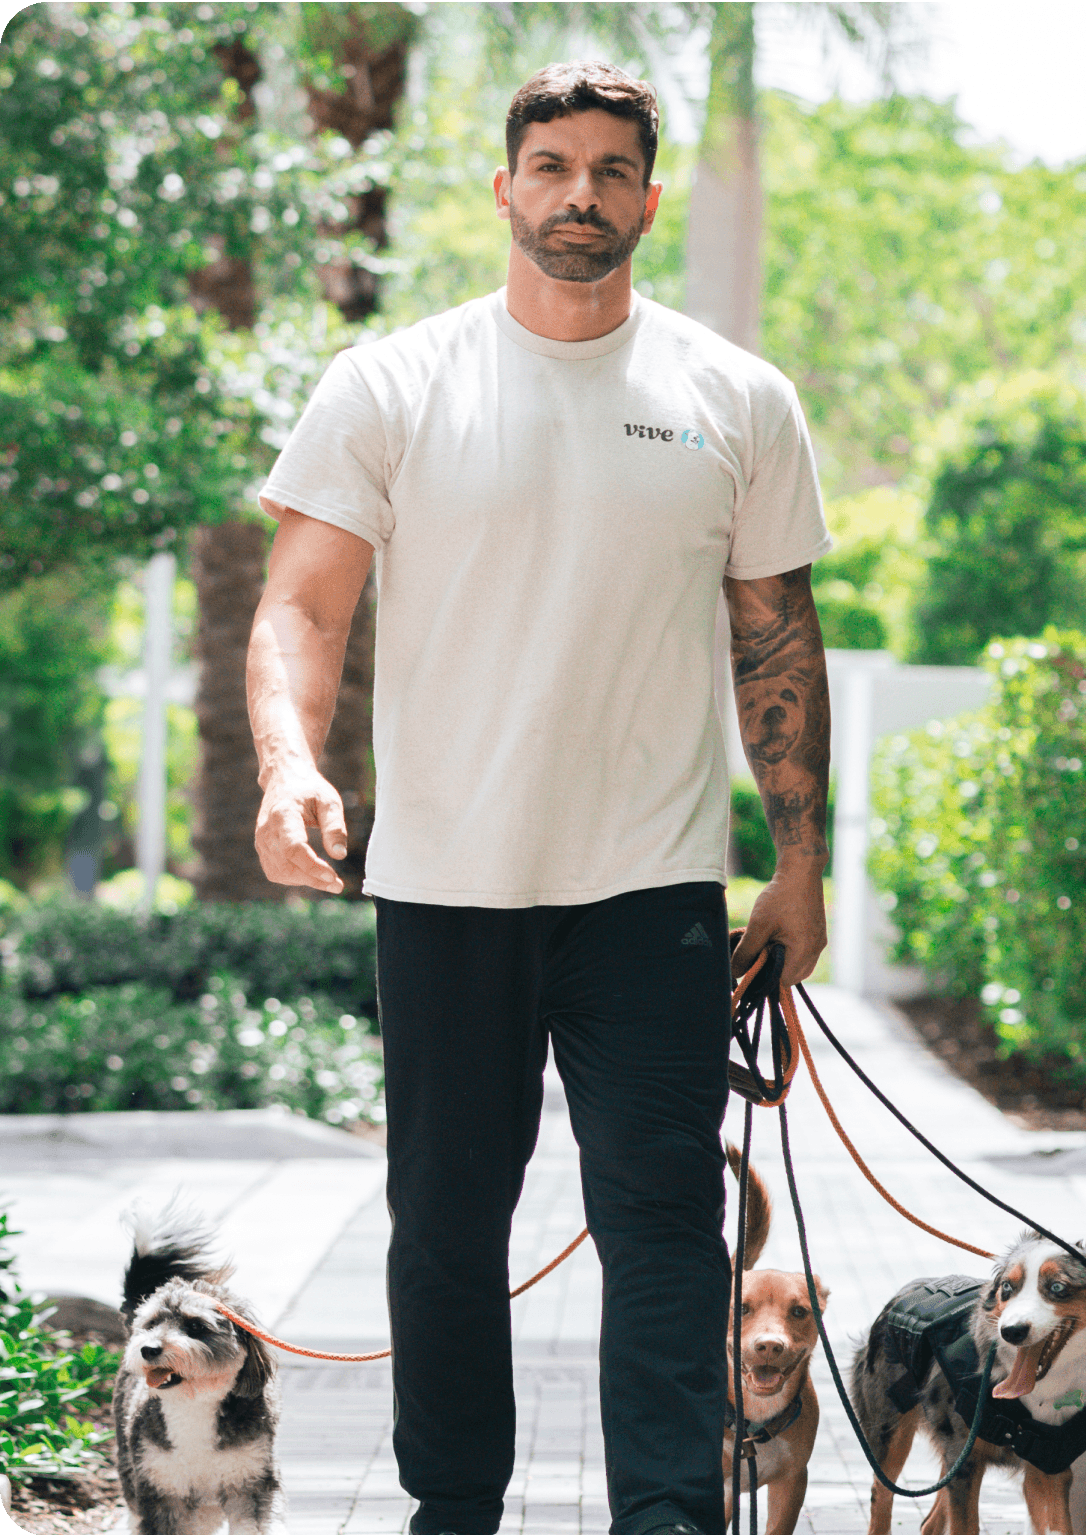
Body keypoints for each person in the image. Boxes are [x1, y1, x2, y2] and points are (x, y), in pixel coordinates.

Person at [247, 60, 831, 1535]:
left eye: (612, 169)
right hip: (447, 879)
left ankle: (666, 1514)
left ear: (649, 198)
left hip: (652, 890)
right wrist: (290, 763)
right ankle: (453, 1508)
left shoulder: (735, 396)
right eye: (554, 166)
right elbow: (303, 604)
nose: (583, 193)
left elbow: (775, 635)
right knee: (445, 1226)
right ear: (506, 189)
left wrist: (799, 860)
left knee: (664, 1221)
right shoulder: (393, 383)